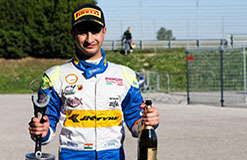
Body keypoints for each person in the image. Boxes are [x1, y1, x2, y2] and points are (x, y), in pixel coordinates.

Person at [28, 4, 159, 160]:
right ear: (73, 33)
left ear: (104, 31)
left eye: (95, 31)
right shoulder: (54, 76)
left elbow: (136, 126)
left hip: (113, 155)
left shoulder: (126, 76)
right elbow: (47, 127)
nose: (89, 39)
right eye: (83, 32)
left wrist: (147, 122)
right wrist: (41, 131)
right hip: (72, 155)